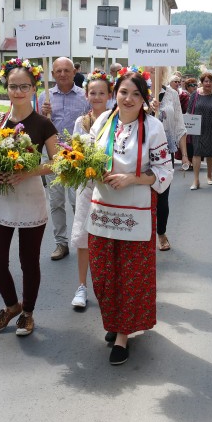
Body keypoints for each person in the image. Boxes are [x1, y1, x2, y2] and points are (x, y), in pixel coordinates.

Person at [86, 68, 173, 365]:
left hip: (135, 211)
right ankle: (114, 319)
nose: (129, 98)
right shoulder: (102, 121)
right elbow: (87, 158)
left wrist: (131, 179)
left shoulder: (152, 127)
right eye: (124, 92)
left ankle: (123, 333)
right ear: (115, 94)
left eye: (136, 94)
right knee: (103, 272)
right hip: (102, 209)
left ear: (145, 98)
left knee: (130, 274)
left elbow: (164, 171)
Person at [0, 59, 58, 336]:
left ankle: (27, 313)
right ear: (6, 87)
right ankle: (11, 305)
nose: (17, 91)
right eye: (12, 86)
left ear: (34, 88)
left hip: (30, 198)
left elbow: (57, 162)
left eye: (24, 86)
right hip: (1, 198)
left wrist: (29, 172)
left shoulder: (43, 124)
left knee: (29, 261)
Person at [39, 57, 90, 260]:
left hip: (76, 154)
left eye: (66, 70)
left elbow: (91, 122)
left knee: (78, 200)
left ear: (74, 72)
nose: (62, 74)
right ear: (52, 74)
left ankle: (83, 240)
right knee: (56, 201)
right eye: (58, 71)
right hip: (52, 154)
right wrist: (43, 115)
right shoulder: (45, 97)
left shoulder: (84, 97)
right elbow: (36, 125)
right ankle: (61, 243)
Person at [70, 70, 113, 308]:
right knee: (83, 236)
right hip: (87, 186)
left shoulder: (117, 120)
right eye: (92, 93)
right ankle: (81, 286)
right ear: (86, 95)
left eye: (101, 93)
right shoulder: (81, 122)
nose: (97, 97)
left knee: (107, 237)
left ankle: (107, 287)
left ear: (109, 95)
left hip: (110, 186)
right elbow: (75, 152)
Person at [152, 73, 190, 251]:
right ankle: (142, 234)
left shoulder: (171, 94)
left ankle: (161, 232)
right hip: (141, 153)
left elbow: (179, 124)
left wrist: (184, 154)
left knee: (163, 198)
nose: (153, 70)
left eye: (156, 67)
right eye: (149, 66)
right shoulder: (137, 89)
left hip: (165, 153)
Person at [187, 72, 212, 190]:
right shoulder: (195, 95)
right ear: (202, 82)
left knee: (211, 152)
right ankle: (196, 180)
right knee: (196, 152)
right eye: (205, 81)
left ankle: (209, 175)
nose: (207, 83)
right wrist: (187, 126)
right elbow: (189, 111)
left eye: (210, 81)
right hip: (197, 127)